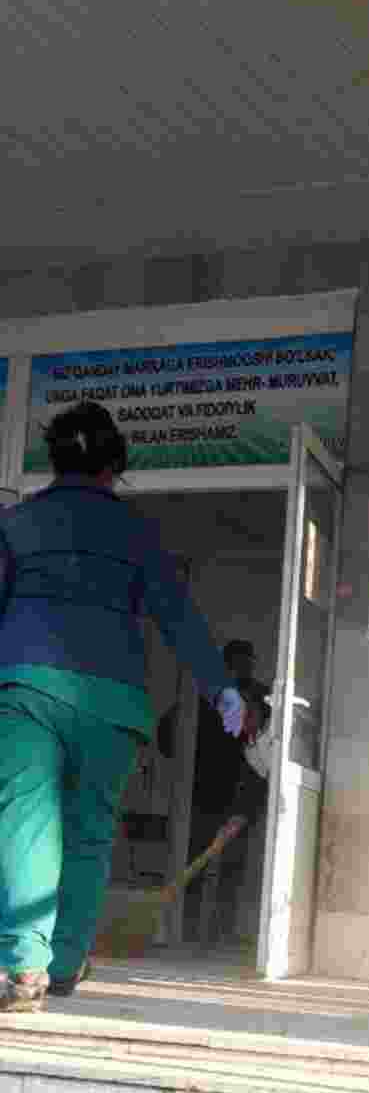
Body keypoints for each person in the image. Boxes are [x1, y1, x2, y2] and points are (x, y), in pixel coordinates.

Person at [0, 401, 248, 1009]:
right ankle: (63, 964)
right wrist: (223, 688)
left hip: (26, 688)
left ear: (53, 460)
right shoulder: (137, 531)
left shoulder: (15, 524)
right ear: (115, 467)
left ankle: (21, 965)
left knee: (27, 824)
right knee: (88, 833)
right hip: (112, 703)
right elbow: (178, 617)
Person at [157, 638, 271, 943]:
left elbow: (166, 737)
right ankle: (200, 932)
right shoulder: (208, 696)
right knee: (205, 865)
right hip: (209, 792)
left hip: (228, 793)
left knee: (224, 868)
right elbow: (168, 735)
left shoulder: (236, 697)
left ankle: (210, 933)